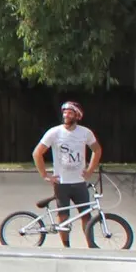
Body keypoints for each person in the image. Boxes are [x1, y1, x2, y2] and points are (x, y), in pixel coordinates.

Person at [33, 101, 103, 249]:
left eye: (70, 113)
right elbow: (37, 153)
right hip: (61, 182)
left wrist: (90, 170)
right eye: (64, 112)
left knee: (86, 215)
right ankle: (66, 246)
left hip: (79, 182)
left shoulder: (85, 132)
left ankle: (91, 245)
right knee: (63, 216)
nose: (66, 115)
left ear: (77, 115)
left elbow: (97, 150)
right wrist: (45, 175)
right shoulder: (54, 132)